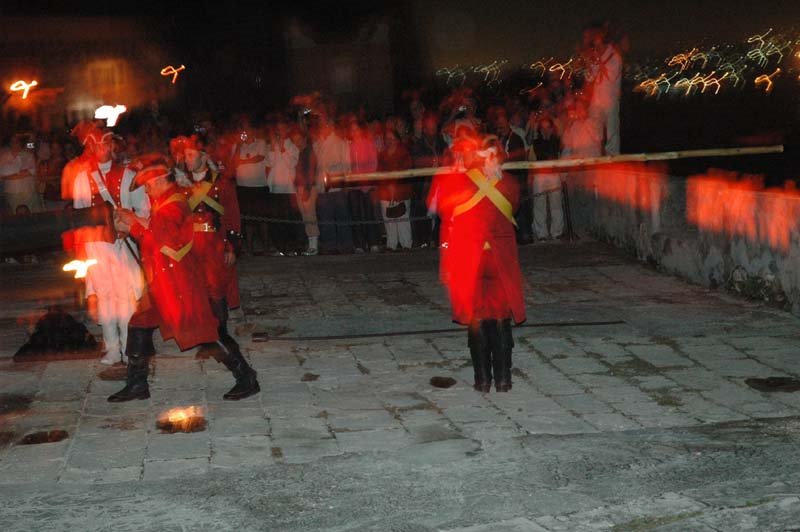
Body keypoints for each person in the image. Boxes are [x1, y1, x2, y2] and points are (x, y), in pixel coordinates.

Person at [109, 161, 260, 402]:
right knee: (139, 324)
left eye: (148, 186)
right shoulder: (165, 202)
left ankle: (246, 377)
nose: (146, 191)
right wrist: (132, 224)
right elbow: (154, 231)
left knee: (206, 331)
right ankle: (137, 384)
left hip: (178, 283)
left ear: (160, 181)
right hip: (162, 281)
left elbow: (165, 240)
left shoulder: (174, 203)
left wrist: (134, 223)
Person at [428, 134, 526, 393]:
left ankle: (485, 380)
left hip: (475, 261)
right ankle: (501, 380)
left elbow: (445, 218)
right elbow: (514, 204)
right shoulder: (510, 183)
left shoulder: (460, 182)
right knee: (495, 316)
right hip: (493, 261)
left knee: (482, 317)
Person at [70, 126, 150, 366]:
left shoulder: (128, 175)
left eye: (105, 145)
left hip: (122, 245)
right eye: (96, 146)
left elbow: (144, 209)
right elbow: (79, 216)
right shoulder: (83, 178)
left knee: (126, 298)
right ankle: (112, 348)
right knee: (104, 298)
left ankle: (128, 348)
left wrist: (128, 224)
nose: (102, 150)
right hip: (97, 247)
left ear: (112, 146)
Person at [171, 135, 243, 359]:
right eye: (185, 155)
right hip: (190, 247)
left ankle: (220, 338)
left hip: (214, 245)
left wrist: (232, 246)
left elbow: (232, 214)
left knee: (216, 292)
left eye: (191, 154)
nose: (187, 159)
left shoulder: (220, 182)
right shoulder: (181, 184)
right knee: (197, 293)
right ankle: (206, 340)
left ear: (204, 156)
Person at [581, 22, 622, 155]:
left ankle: (613, 156)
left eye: (597, 41)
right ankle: (594, 154)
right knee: (593, 128)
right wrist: (588, 65)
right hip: (597, 99)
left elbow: (612, 77)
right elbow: (590, 78)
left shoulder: (614, 56)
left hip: (610, 99)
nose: (595, 44)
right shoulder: (597, 56)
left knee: (612, 130)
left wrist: (598, 62)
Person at [232, 120, 270, 255]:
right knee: (247, 220)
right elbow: (234, 162)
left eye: (247, 130)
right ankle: (249, 248)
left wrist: (244, 161)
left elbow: (260, 157)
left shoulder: (260, 143)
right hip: (243, 187)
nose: (245, 133)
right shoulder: (237, 146)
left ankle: (266, 247)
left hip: (259, 185)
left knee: (263, 218)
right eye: (243, 131)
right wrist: (238, 146)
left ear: (253, 131)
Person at [378, 129, 413, 251]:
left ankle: (406, 244)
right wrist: (388, 185)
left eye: (391, 139)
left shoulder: (404, 153)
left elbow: (406, 169)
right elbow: (380, 172)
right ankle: (391, 244)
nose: (389, 141)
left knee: (403, 218)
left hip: (401, 191)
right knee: (389, 219)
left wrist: (394, 184)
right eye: (387, 139)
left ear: (397, 140)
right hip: (385, 192)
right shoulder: (382, 155)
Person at [0, 134, 41, 214]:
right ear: (9, 143)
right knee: (15, 218)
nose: (15, 144)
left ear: (20, 143)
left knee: (33, 216)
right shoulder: (3, 156)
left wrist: (8, 175)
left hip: (29, 192)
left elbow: (31, 171)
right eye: (12, 142)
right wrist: (20, 172)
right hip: (11, 193)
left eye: (17, 142)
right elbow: (2, 173)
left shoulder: (28, 155)